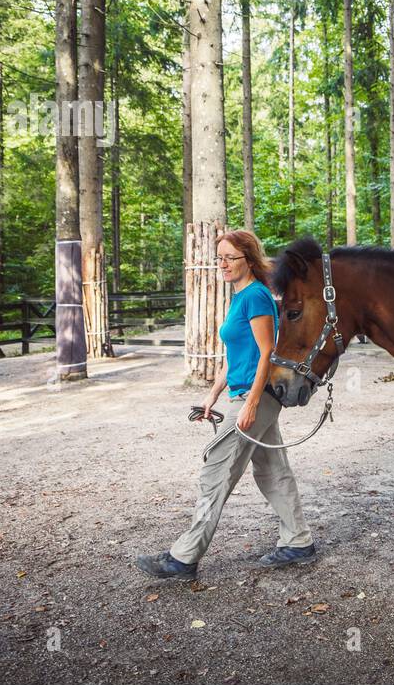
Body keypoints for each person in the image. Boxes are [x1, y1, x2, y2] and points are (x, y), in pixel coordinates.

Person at [134, 229, 317, 579]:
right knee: (272, 470)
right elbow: (235, 355)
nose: (223, 264)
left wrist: (249, 403)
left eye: (230, 257)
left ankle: (182, 558)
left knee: (215, 472)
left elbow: (267, 353)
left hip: (255, 396)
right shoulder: (239, 297)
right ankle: (298, 541)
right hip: (244, 393)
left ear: (248, 259)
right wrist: (213, 393)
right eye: (219, 258)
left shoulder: (257, 297)